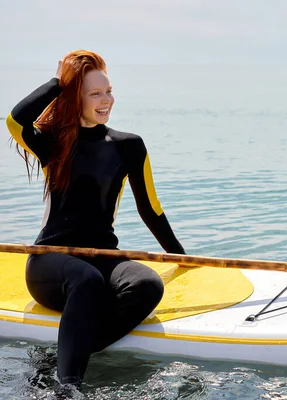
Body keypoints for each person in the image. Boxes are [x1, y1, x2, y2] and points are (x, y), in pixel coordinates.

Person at [5, 50, 185, 389]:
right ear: (76, 97)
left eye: (109, 91)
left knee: (147, 285)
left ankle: (54, 362)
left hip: (104, 258)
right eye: (95, 93)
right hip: (50, 263)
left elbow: (151, 209)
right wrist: (59, 82)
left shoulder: (128, 145)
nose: (107, 100)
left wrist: (181, 256)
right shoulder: (54, 143)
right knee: (86, 281)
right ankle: (67, 388)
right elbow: (15, 121)